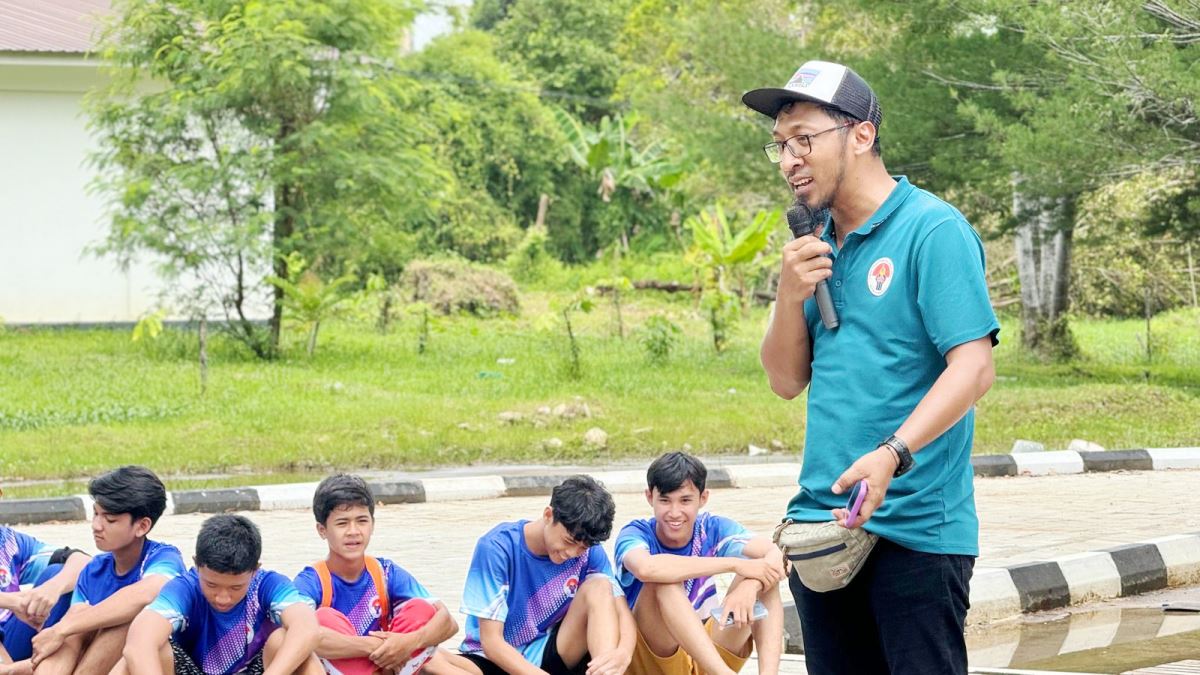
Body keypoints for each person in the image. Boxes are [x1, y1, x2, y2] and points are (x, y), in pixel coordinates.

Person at [743, 60, 1000, 675]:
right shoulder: (814, 244)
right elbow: (785, 381)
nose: (788, 160)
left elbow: (973, 367)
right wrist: (787, 294)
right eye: (779, 144)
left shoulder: (931, 230)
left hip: (913, 533)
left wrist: (892, 454)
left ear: (860, 135)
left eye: (804, 138)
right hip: (822, 530)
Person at [614, 452, 785, 675]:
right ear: (649, 497)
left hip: (706, 655)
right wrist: (734, 565)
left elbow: (777, 556)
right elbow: (647, 569)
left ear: (703, 498)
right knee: (664, 580)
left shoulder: (711, 528)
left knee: (763, 575)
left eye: (685, 500)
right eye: (665, 500)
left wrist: (749, 586)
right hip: (654, 660)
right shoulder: (635, 533)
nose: (674, 513)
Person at [456, 475, 634, 675]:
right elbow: (491, 642)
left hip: (549, 651)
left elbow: (620, 610)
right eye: (568, 541)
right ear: (549, 515)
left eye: (582, 547)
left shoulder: (590, 552)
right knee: (431, 661)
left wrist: (624, 653)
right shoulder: (497, 548)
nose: (572, 553)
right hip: (492, 659)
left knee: (600, 586)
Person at [294, 474, 466, 675]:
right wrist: (376, 645)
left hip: (392, 668)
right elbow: (299, 635)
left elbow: (448, 623)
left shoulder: (385, 572)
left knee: (421, 609)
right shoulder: (310, 582)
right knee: (322, 619)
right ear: (322, 530)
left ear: (372, 525)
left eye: (362, 521)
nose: (353, 531)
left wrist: (407, 642)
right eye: (342, 523)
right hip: (345, 668)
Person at [118, 514, 322, 675]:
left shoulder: (268, 584)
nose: (222, 597)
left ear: (255, 570)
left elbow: (307, 628)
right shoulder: (185, 588)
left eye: (235, 588)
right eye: (212, 585)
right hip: (193, 670)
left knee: (287, 642)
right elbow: (139, 644)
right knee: (141, 655)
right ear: (197, 565)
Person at [31, 466, 186, 674]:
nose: (96, 525)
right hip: (93, 661)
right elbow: (73, 627)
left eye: (110, 519)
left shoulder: (164, 557)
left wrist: (61, 628)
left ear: (142, 526)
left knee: (132, 621)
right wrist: (64, 631)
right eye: (96, 513)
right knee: (74, 629)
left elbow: (148, 592)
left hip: (156, 663)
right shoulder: (94, 570)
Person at [0, 526, 89, 675]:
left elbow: (83, 561)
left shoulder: (7, 541)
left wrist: (53, 587)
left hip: (12, 637)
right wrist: (13, 602)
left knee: (60, 574)